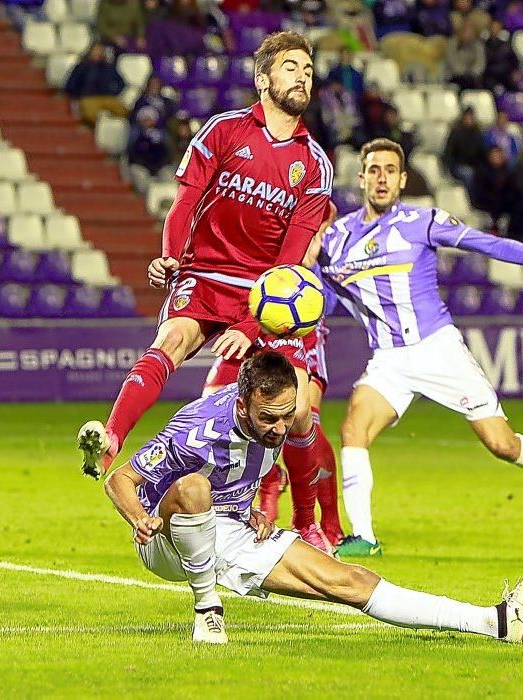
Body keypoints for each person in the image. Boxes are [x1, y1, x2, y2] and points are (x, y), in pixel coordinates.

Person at [78, 31, 335, 553]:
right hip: (206, 272)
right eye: (291, 68)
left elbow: (288, 264)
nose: (302, 76)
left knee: (300, 411)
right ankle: (110, 443)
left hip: (266, 293)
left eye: (308, 69)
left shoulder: (314, 166)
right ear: (263, 79)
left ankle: (308, 524)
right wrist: (171, 257)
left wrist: (248, 325)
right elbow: (184, 203)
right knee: (171, 341)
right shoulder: (223, 131)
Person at [104, 351, 523, 644]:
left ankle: (496, 623)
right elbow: (119, 479)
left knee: (348, 582)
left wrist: (250, 509)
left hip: (230, 531)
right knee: (195, 488)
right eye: (268, 418)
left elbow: (246, 471)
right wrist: (140, 518)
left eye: (285, 415)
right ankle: (207, 610)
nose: (280, 428)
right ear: (242, 406)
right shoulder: (196, 429)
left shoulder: (284, 417)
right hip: (167, 540)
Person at [307, 138, 523, 557]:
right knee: (354, 428)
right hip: (389, 359)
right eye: (374, 170)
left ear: (403, 179)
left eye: (390, 170)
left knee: (502, 445)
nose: (381, 177)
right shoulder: (337, 239)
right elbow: (321, 303)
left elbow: (484, 242)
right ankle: (365, 537)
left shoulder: (421, 221)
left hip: (438, 349)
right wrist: (309, 259)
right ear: (361, 177)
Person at [201, 319, 345, 547]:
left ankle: (315, 523)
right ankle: (268, 477)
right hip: (246, 327)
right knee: (211, 407)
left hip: (295, 326)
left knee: (300, 415)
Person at [63, 42, 127, 126]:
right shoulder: (81, 67)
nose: (98, 53)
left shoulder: (109, 67)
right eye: (95, 51)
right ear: (90, 52)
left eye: (100, 51)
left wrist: (114, 92)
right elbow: (71, 84)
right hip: (88, 98)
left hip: (108, 97)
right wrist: (78, 97)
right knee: (90, 114)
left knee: (124, 111)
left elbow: (121, 83)